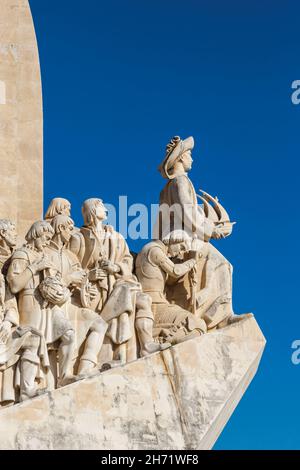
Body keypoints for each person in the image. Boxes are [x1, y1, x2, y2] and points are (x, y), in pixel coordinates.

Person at [156, 136, 250, 329]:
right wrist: (213, 230)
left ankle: (215, 313)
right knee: (222, 264)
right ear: (181, 158)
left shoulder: (172, 185)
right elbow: (187, 212)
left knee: (221, 265)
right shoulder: (180, 181)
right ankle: (221, 317)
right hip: (181, 241)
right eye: (189, 155)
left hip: (179, 239)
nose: (192, 159)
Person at [79, 198, 166, 366]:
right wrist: (90, 275)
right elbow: (74, 265)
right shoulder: (80, 237)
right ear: (92, 210)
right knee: (127, 299)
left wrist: (116, 267)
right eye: (102, 206)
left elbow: (127, 260)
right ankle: (116, 356)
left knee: (143, 299)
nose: (106, 209)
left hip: (119, 282)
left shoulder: (116, 236)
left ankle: (147, 344)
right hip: (98, 290)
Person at [135, 230, 206, 344]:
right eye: (181, 247)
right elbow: (175, 271)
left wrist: (183, 263)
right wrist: (192, 261)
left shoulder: (153, 250)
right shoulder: (154, 250)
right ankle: (164, 342)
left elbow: (170, 280)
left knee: (198, 326)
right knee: (197, 325)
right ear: (174, 240)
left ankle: (166, 340)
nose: (180, 252)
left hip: (156, 303)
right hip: (154, 305)